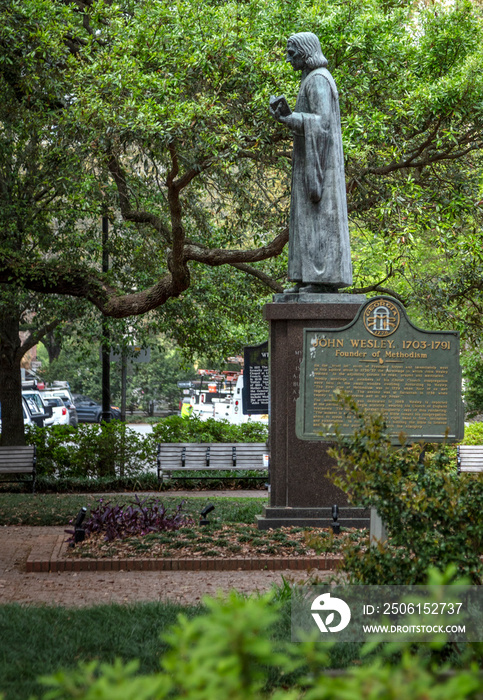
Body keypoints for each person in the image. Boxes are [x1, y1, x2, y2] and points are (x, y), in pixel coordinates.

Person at [270, 32, 352, 293]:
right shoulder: (309, 79)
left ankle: (322, 280)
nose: (287, 58)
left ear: (305, 52)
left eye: (291, 53)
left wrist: (289, 118)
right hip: (309, 160)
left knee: (319, 220)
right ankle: (307, 278)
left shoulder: (318, 80)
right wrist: (289, 117)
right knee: (306, 221)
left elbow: (321, 123)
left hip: (321, 169)